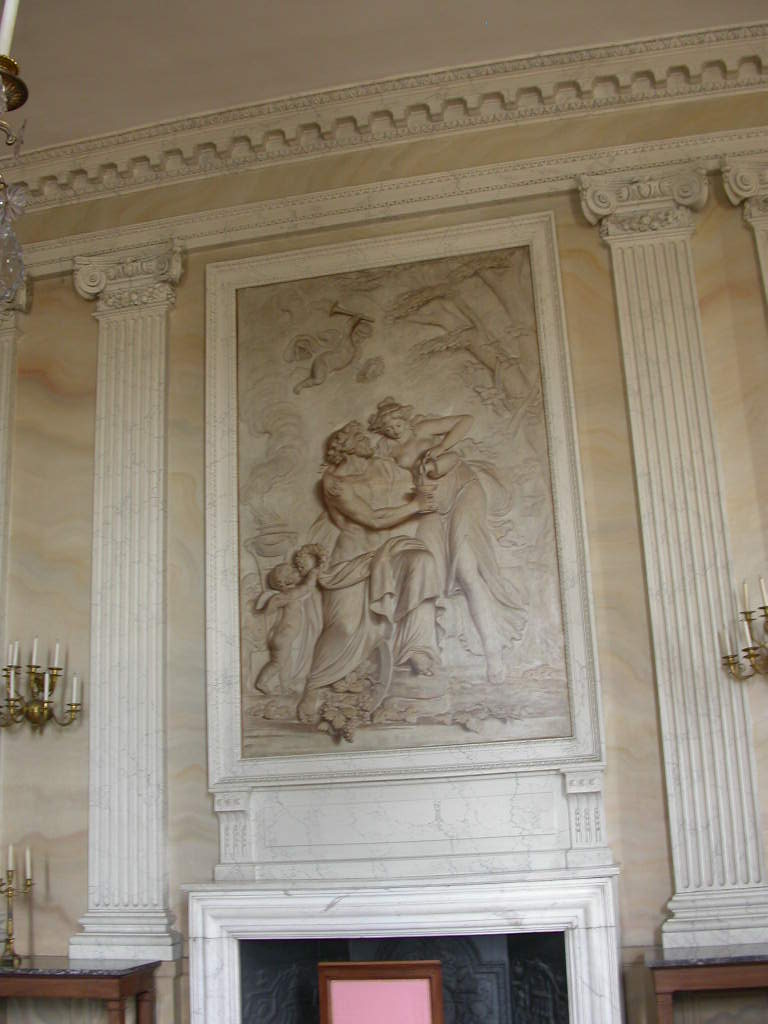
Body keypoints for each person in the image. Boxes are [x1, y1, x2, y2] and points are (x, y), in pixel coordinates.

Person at [368, 397, 526, 684]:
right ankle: (424, 649)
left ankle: (493, 653)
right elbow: (378, 476)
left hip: (462, 490)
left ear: (405, 418)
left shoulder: (423, 428)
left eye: (397, 422)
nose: (394, 429)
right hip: (431, 505)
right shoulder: (388, 450)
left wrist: (440, 448)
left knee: (466, 570)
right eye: (387, 427)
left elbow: (465, 421)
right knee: (428, 569)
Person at [296, 420, 442, 725]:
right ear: (346, 444)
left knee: (422, 561)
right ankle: (315, 687)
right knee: (345, 628)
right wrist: (414, 505)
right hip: (350, 562)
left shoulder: (380, 469)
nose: (369, 442)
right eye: (361, 438)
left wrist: (427, 473)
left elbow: (417, 459)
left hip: (387, 554)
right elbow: (373, 518)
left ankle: (417, 647)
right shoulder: (334, 482)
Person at [252, 544, 325, 696]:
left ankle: (285, 686)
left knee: (286, 662)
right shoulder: (290, 594)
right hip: (283, 637)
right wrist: (313, 571)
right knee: (278, 663)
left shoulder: (287, 595)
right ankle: (261, 682)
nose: (297, 571)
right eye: (293, 571)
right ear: (285, 582)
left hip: (281, 637)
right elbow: (307, 587)